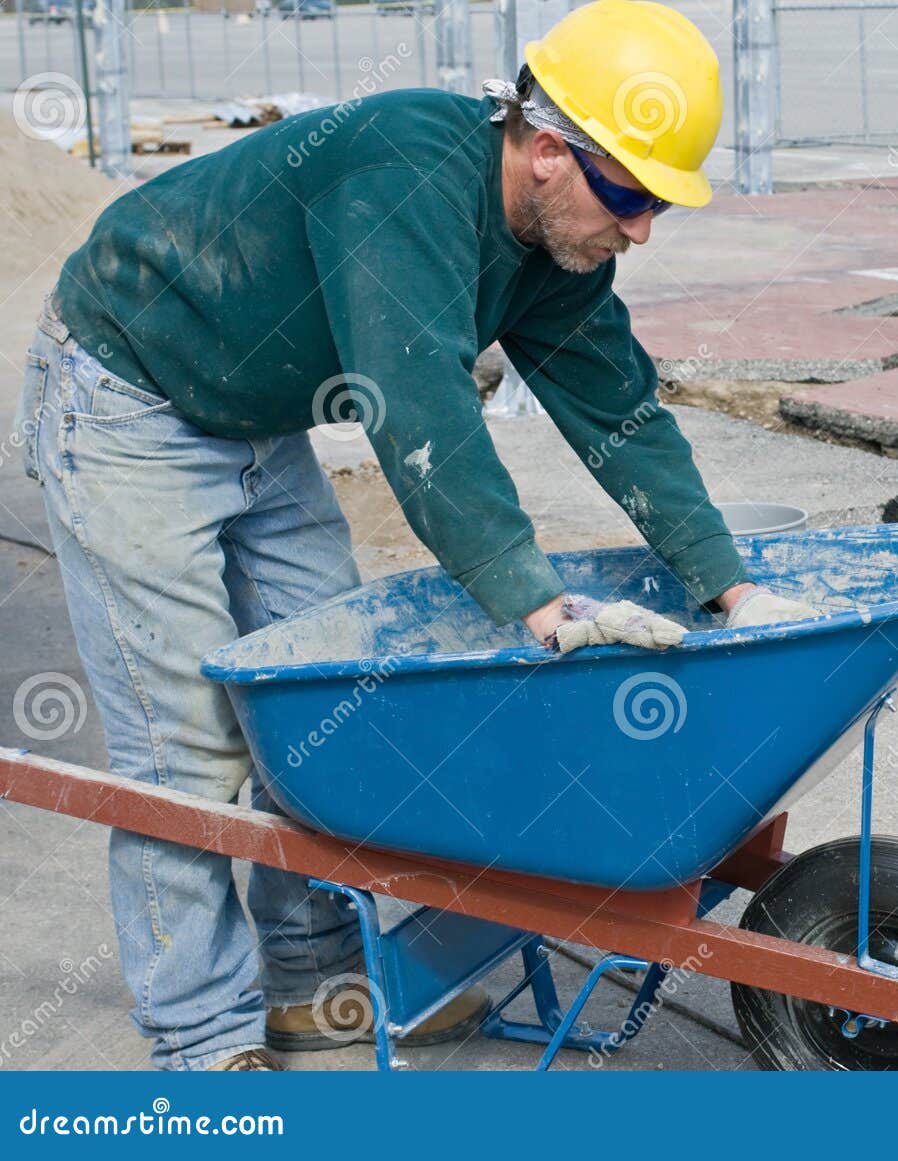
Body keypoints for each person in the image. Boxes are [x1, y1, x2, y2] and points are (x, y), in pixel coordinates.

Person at [13, 0, 813, 1071]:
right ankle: (201, 1038)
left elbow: (621, 414)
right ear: (542, 152)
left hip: (250, 411)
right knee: (184, 748)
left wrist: (729, 587)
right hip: (130, 394)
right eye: (629, 192)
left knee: (325, 706)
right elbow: (417, 408)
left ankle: (309, 982)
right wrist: (534, 598)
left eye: (658, 204)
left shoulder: (554, 250)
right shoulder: (407, 172)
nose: (640, 229)